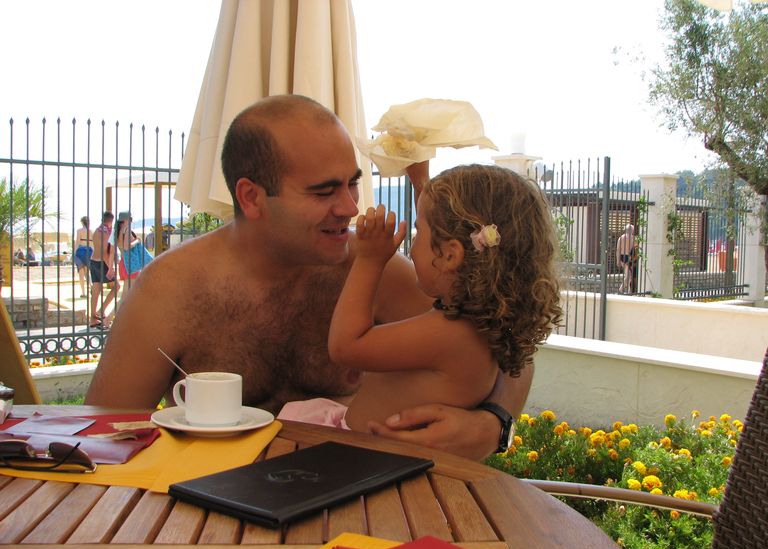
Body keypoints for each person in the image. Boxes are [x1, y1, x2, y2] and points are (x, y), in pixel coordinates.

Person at [85, 94, 534, 459]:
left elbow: (506, 337)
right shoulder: (171, 290)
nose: (351, 207)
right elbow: (103, 437)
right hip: (214, 514)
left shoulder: (373, 270)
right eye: (324, 192)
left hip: (365, 505)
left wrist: (494, 423)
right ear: (251, 197)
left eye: (352, 183)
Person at [279, 164, 562, 432]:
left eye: (418, 232)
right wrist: (420, 181)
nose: (411, 247)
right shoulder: (482, 328)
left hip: (363, 452)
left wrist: (369, 260)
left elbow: (345, 347)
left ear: (450, 255)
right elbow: (442, 223)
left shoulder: (450, 334)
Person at [89, 211, 120, 328]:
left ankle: (93, 318)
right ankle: (101, 310)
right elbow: (105, 253)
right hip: (102, 263)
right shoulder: (105, 232)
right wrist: (110, 268)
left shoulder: (96, 231)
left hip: (93, 261)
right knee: (117, 287)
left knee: (96, 290)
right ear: (111, 220)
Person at [115, 211, 141, 294]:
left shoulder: (117, 231)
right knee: (128, 292)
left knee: (128, 291)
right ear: (125, 220)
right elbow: (126, 247)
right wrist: (137, 241)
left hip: (123, 262)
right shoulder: (126, 230)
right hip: (130, 263)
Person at [73, 216, 93, 298]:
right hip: (89, 251)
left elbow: (77, 242)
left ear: (82, 222)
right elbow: (93, 244)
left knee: (81, 272)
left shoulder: (79, 231)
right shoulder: (91, 231)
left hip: (81, 251)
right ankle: (91, 286)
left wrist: (74, 253)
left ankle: (83, 292)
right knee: (87, 272)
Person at [616, 223, 636, 294]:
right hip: (629, 257)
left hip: (623, 257)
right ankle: (621, 289)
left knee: (629, 275)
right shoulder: (633, 238)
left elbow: (618, 250)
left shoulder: (621, 238)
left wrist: (618, 260)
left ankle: (628, 291)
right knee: (628, 275)